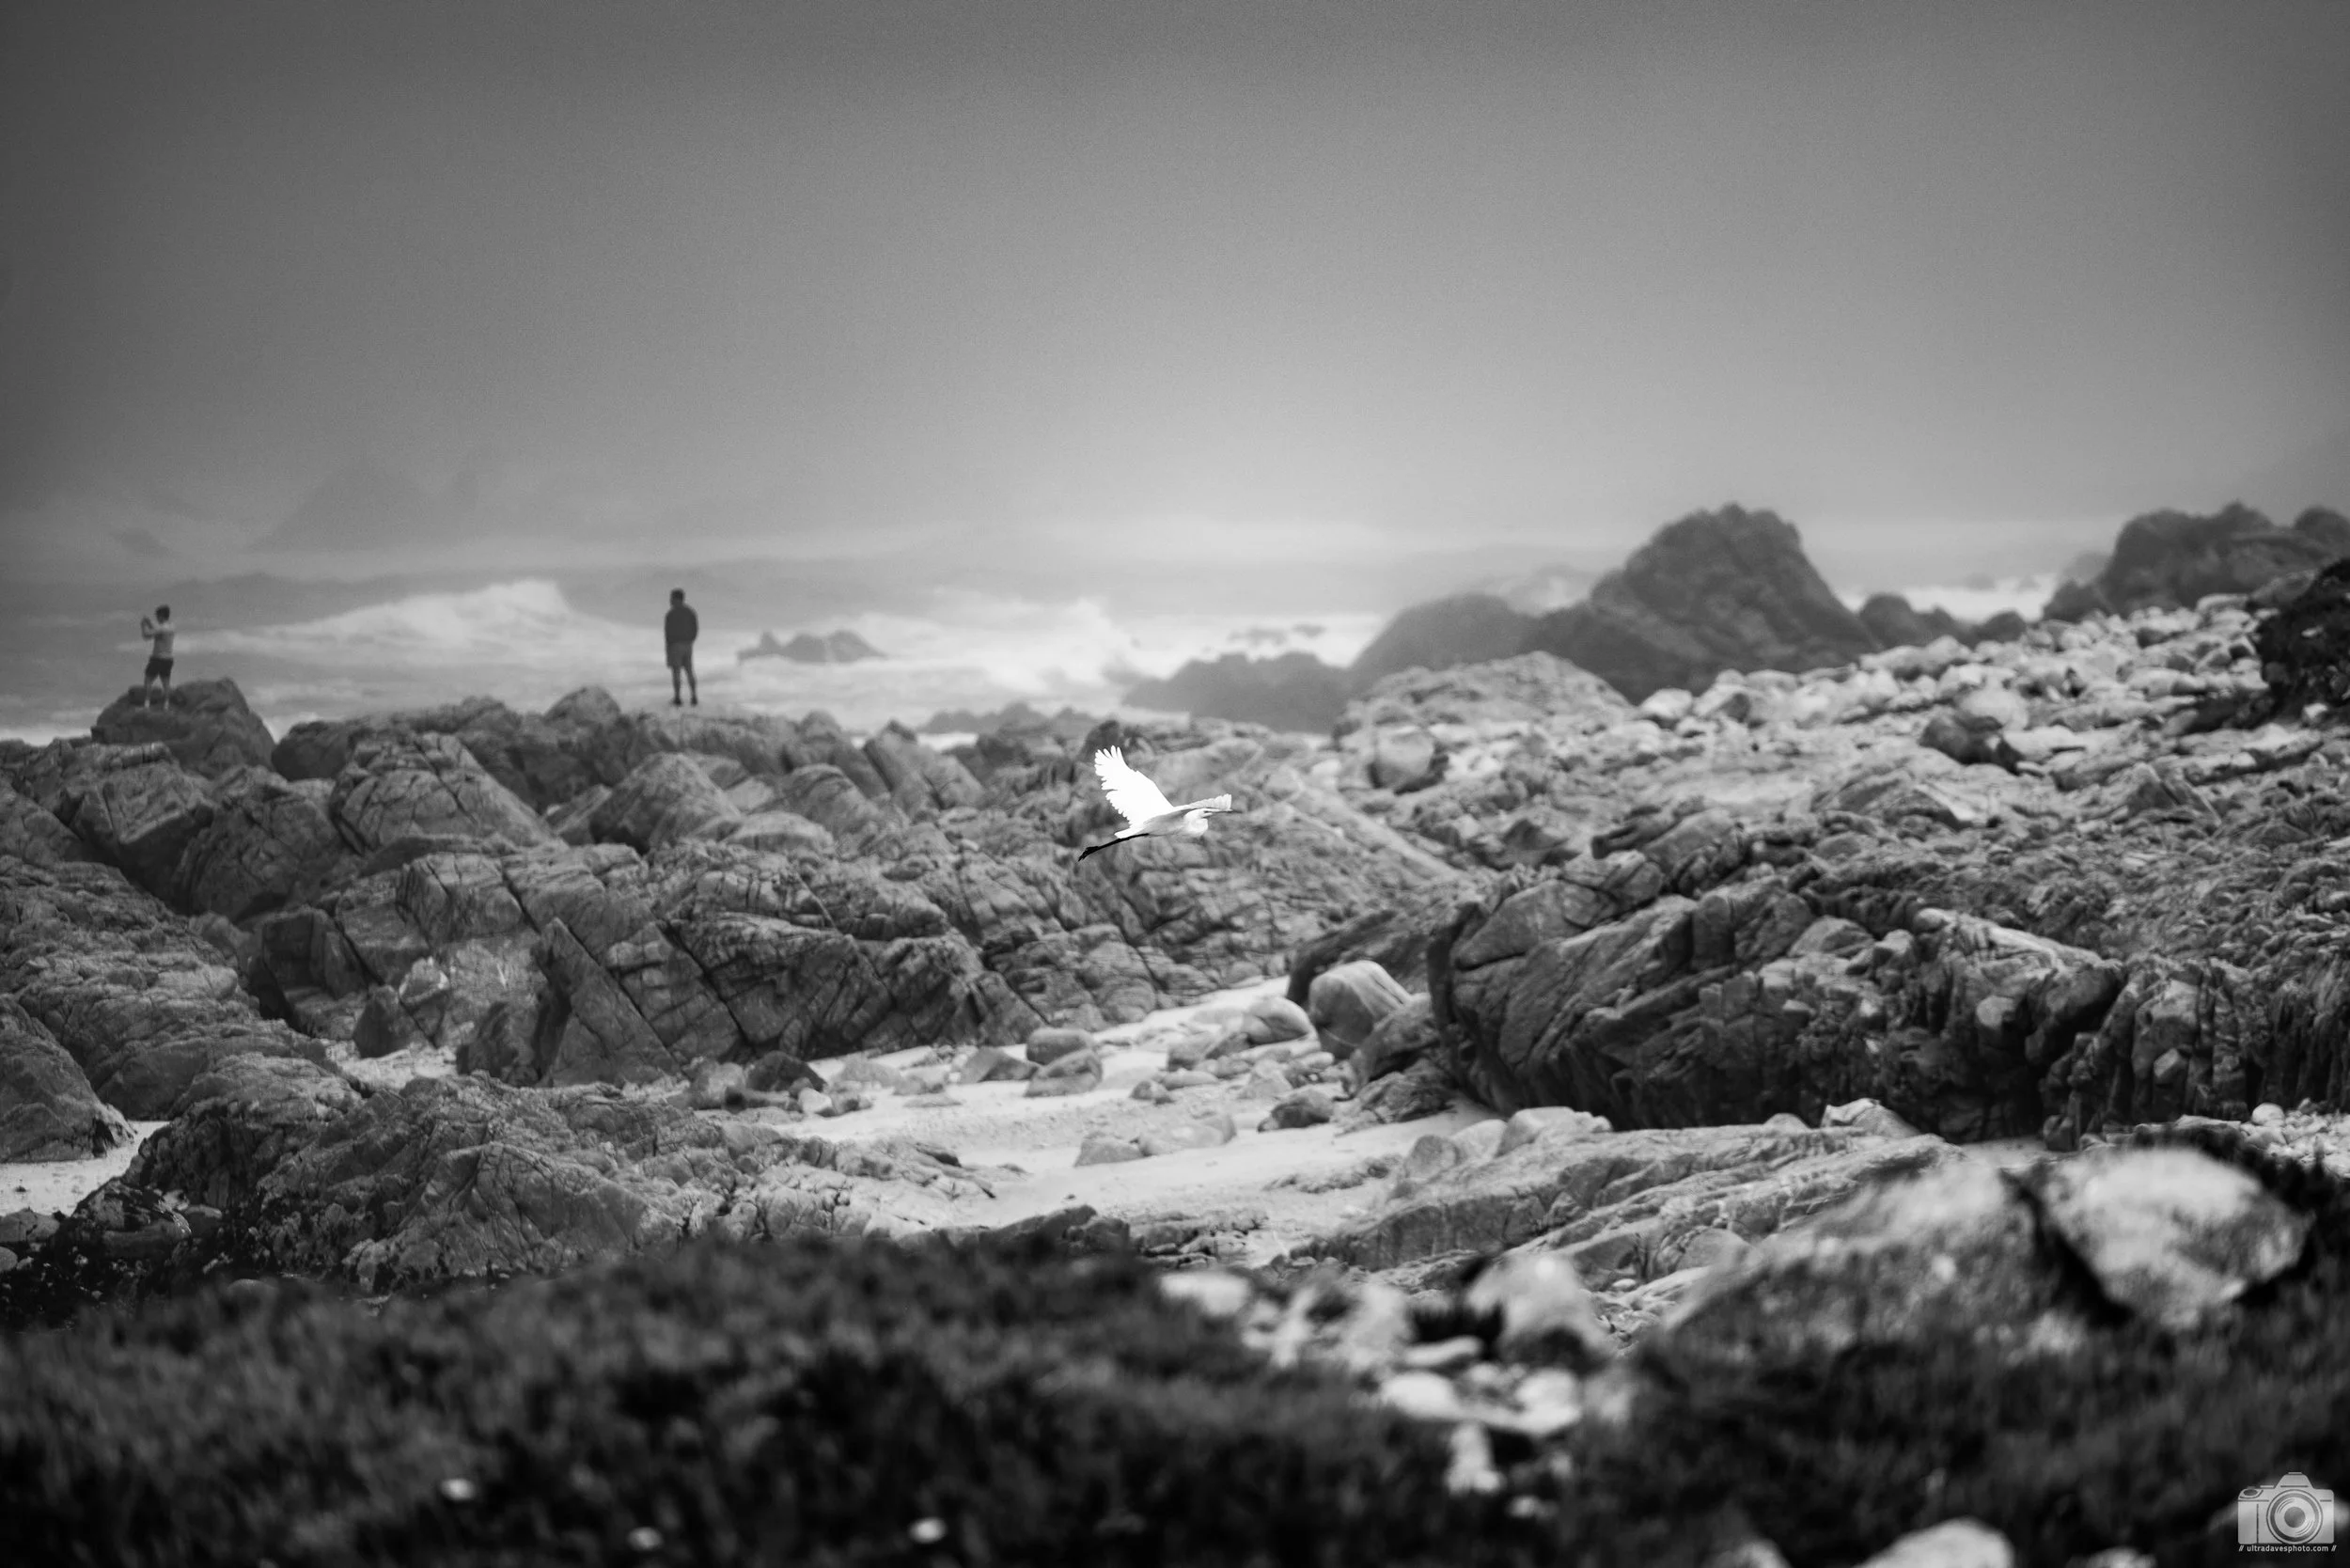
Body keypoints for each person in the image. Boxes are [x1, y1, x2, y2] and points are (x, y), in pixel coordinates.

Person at [664, 589, 699, 706]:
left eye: (672, 598)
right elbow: (695, 629)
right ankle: (694, 696)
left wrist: (669, 650)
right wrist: (690, 641)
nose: (670, 601)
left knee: (676, 672)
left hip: (675, 646)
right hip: (688, 645)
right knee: (689, 671)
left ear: (676, 599)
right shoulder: (690, 612)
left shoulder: (671, 614)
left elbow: (668, 634)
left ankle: (678, 698)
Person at [138, 604, 176, 709]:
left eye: (157, 616)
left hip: (158, 658)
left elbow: (147, 635)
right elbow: (156, 629)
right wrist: (149, 623)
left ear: (162, 616)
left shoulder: (161, 629)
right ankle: (166, 704)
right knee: (166, 682)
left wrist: (143, 625)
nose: (156, 618)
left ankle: (147, 703)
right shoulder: (172, 626)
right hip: (168, 659)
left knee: (148, 679)